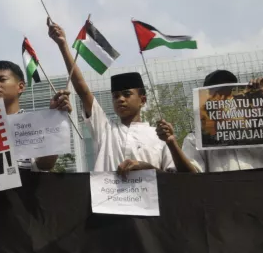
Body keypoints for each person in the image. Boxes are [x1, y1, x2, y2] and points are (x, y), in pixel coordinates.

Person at [48, 19, 173, 174]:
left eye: (127, 95)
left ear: (143, 100)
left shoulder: (159, 136)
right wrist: (63, 45)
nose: (120, 99)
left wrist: (146, 168)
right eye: (116, 96)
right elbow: (82, 90)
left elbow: (173, 178)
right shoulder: (105, 130)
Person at [159, 71, 263, 172]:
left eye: (230, 92)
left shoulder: (261, 124)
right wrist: (171, 143)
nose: (224, 99)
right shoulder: (196, 138)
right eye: (217, 94)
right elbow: (192, 174)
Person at [0, 61, 72, 172]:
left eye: (2, 80)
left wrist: (55, 118)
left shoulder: (34, 123)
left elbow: (46, 165)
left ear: (20, 86)